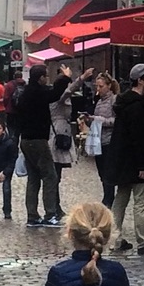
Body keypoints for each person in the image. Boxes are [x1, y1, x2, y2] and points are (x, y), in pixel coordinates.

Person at [17, 64, 88, 228]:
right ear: (40, 78)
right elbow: (55, 94)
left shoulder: (25, 93)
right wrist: (66, 77)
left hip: (26, 139)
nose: (47, 79)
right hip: (38, 139)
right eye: (45, 76)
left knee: (33, 178)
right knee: (50, 176)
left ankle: (32, 216)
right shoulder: (38, 93)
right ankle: (50, 214)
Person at [109, 63, 144, 256]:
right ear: (140, 80)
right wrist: (143, 166)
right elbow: (141, 138)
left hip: (123, 161)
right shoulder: (138, 106)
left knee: (121, 199)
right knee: (140, 202)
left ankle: (114, 238)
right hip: (136, 162)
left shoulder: (125, 103)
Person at [49, 72, 91, 219]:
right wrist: (81, 78)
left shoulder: (60, 97)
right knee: (55, 174)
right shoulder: (58, 98)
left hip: (63, 132)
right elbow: (68, 91)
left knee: (57, 174)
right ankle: (54, 207)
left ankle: (55, 206)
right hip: (58, 134)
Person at [83, 72, 118, 207]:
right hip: (98, 141)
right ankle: (106, 197)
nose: (98, 89)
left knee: (108, 173)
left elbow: (117, 120)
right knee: (102, 173)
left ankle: (109, 200)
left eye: (101, 86)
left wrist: (99, 120)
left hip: (109, 141)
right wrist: (89, 120)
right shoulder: (98, 102)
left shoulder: (114, 100)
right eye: (97, 86)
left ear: (108, 86)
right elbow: (95, 121)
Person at [2, 74, 26, 145]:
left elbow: (5, 98)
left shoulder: (9, 85)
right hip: (21, 111)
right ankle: (17, 140)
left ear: (14, 76)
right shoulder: (25, 84)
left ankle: (12, 143)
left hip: (11, 111)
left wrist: (6, 106)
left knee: (11, 128)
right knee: (18, 129)